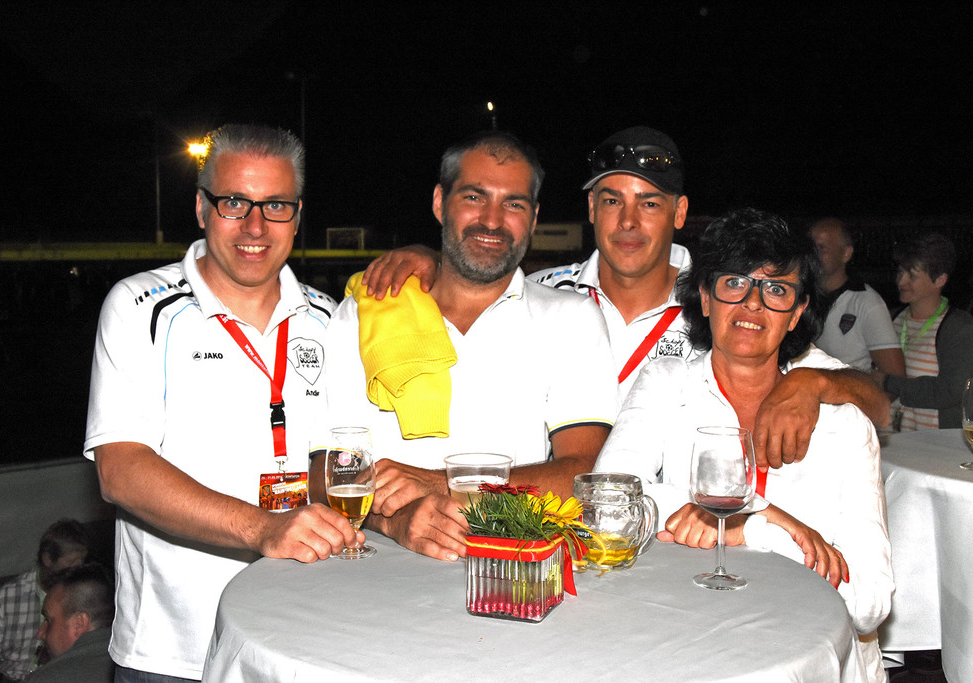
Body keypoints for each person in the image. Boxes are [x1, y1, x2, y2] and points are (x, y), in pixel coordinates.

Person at [362, 126, 891, 469]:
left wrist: (812, 382)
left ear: (680, 213)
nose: (629, 221)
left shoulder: (723, 303)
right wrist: (429, 258)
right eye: (612, 200)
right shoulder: (545, 297)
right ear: (591, 209)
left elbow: (877, 404)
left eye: (650, 203)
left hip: (685, 524)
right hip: (554, 519)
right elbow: (472, 279)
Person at [84, 123, 360, 681]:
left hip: (297, 639)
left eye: (276, 205)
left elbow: (339, 456)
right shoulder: (139, 306)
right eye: (234, 202)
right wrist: (262, 527)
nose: (255, 226)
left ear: (297, 216)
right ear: (201, 208)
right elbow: (121, 471)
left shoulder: (330, 317)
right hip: (173, 652)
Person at [595, 208, 893, 682]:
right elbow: (606, 505)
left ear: (797, 313)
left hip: (807, 658)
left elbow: (869, 603)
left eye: (776, 289)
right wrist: (767, 518)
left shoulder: (841, 422)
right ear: (705, 297)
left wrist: (749, 530)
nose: (753, 303)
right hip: (685, 640)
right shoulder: (666, 384)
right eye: (734, 282)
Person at [320, 131, 617, 562]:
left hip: (513, 569)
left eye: (513, 204)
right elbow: (328, 469)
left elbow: (583, 474)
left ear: (534, 218)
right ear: (440, 202)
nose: (492, 221)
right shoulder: (364, 313)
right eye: (475, 197)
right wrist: (393, 521)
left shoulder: (571, 318)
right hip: (378, 571)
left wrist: (443, 484)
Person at [872, 232, 973, 430]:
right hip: (890, 440)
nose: (901, 282)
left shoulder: (959, 328)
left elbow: (949, 391)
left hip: (933, 444)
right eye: (900, 272)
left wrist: (888, 382)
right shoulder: (889, 319)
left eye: (912, 276)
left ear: (939, 280)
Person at [0, 519, 89, 683]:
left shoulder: (82, 596)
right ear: (47, 559)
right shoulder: (6, 598)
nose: (77, 570)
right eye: (71, 562)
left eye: (81, 562)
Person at [809, 217, 904, 374]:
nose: (813, 254)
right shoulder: (799, 297)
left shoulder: (867, 302)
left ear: (846, 254)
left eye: (821, 248)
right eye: (810, 247)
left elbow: (895, 376)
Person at [26, 563, 114, 683]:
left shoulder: (48, 678)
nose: (40, 633)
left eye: (49, 620)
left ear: (79, 624)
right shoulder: (132, 665)